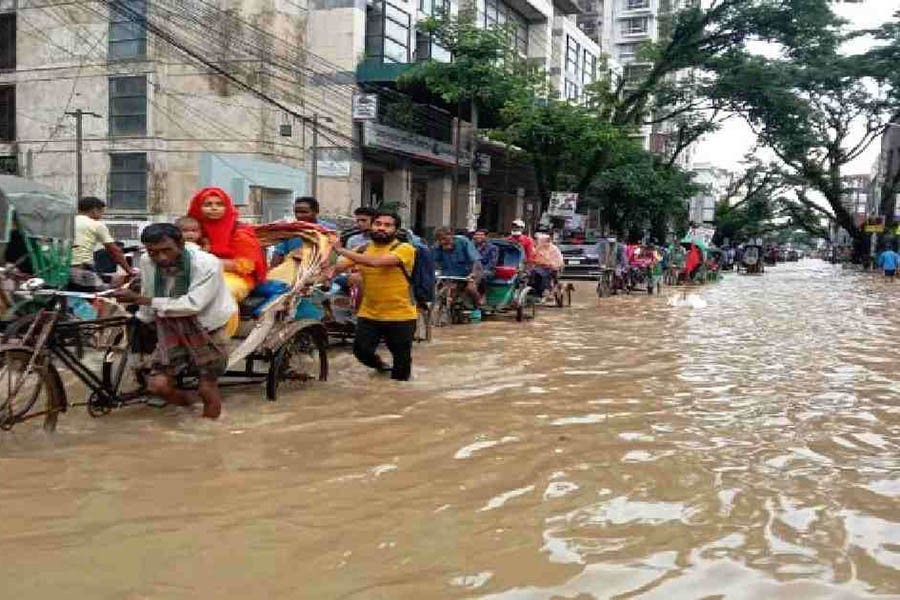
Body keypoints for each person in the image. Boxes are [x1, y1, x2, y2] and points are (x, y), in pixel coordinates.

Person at [113, 223, 237, 419]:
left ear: (181, 244)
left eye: (166, 250)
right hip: (169, 324)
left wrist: (142, 301)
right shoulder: (147, 261)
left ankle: (209, 432)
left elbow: (193, 304)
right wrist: (142, 317)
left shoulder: (206, 263)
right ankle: (190, 406)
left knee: (207, 386)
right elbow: (149, 289)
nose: (161, 258)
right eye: (154, 252)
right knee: (157, 386)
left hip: (207, 326)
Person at [332, 212, 417, 381]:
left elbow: (375, 263)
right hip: (369, 313)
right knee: (361, 351)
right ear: (372, 226)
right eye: (378, 223)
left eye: (387, 225)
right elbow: (337, 268)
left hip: (401, 315)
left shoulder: (404, 249)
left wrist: (341, 249)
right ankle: (381, 366)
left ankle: (398, 395)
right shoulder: (363, 249)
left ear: (396, 230)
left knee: (401, 359)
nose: (381, 228)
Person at [187, 187, 267, 309]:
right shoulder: (190, 229)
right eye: (208, 204)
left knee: (220, 295)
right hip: (196, 275)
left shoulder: (240, 231)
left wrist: (207, 261)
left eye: (219, 204)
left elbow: (247, 265)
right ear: (197, 207)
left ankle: (226, 328)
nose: (214, 208)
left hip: (235, 277)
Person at [71, 197, 134, 290]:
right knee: (105, 294)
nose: (101, 216)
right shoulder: (95, 224)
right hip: (82, 269)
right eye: (101, 212)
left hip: (61, 269)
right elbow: (114, 250)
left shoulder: (67, 222)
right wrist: (129, 271)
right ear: (95, 210)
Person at [270, 196, 338, 268]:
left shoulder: (328, 230)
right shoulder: (288, 230)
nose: (299, 215)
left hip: (321, 270)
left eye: (304, 212)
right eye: (296, 212)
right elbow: (278, 254)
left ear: (316, 212)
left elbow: (334, 255)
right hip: (293, 269)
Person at [432, 226, 483, 307]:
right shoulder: (437, 247)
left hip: (470, 273)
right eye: (440, 240)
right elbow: (434, 262)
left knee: (470, 289)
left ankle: (478, 306)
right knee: (444, 292)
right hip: (449, 275)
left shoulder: (463, 241)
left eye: (444, 239)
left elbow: (475, 260)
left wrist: (473, 274)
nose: (443, 242)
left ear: (451, 236)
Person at [531, 232, 564, 298]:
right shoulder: (538, 248)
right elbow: (533, 257)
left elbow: (559, 261)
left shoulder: (554, 249)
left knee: (546, 275)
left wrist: (551, 264)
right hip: (540, 267)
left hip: (552, 268)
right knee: (532, 274)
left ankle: (547, 290)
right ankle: (536, 291)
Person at [473, 228, 498, 302]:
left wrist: (480, 270)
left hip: (488, 270)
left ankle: (483, 295)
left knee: (482, 275)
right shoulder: (471, 246)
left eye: (481, 235)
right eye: (477, 235)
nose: (478, 236)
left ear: (486, 237)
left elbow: (492, 263)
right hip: (473, 269)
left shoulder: (493, 248)